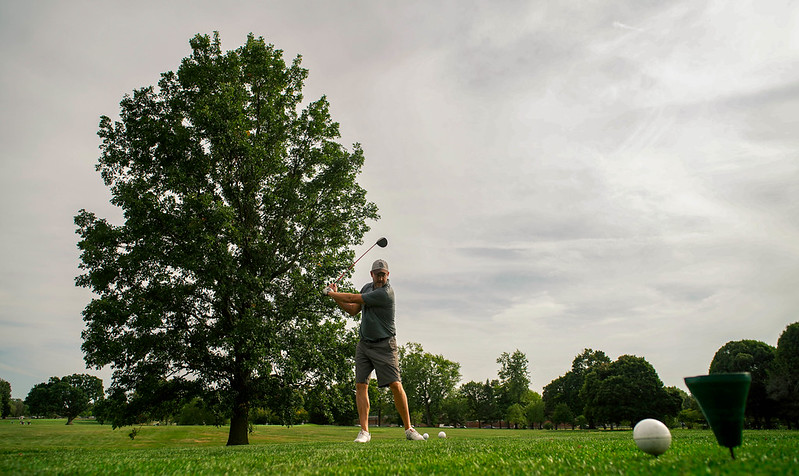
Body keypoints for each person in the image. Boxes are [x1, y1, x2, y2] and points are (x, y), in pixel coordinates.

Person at [324, 259, 425, 443]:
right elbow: (353, 310)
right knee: (361, 385)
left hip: (385, 345)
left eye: (383, 274)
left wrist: (332, 294)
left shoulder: (386, 293)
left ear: (388, 275)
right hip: (364, 344)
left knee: (395, 385)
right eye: (377, 274)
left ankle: (409, 429)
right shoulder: (367, 288)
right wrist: (336, 296)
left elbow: (353, 298)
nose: (380, 277)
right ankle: (364, 432)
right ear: (371, 274)